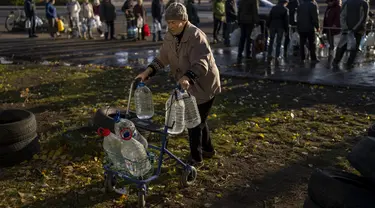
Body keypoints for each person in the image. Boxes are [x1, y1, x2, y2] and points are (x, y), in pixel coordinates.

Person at [135, 3, 221, 166]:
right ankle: (208, 149)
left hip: (204, 84)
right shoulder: (170, 35)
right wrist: (147, 72)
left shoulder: (196, 35)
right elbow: (162, 58)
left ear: (184, 20)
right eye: (169, 22)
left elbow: (202, 62)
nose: (171, 25)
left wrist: (188, 77)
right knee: (199, 119)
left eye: (174, 22)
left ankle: (196, 159)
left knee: (194, 122)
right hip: (187, 84)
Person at [332, 0, 369, 68]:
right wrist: (355, 28)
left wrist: (345, 27)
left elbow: (342, 15)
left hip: (346, 29)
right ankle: (349, 63)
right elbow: (363, 18)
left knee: (342, 45)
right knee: (354, 47)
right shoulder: (364, 3)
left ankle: (336, 61)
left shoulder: (346, 2)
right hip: (358, 30)